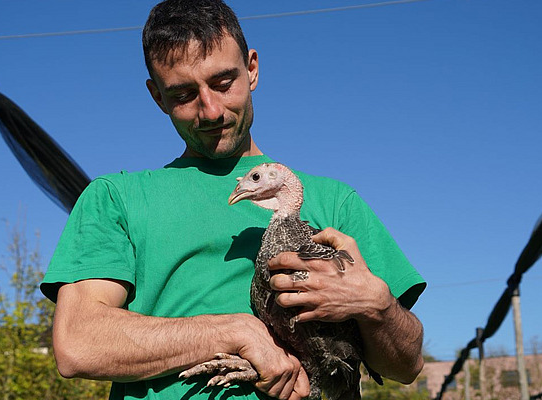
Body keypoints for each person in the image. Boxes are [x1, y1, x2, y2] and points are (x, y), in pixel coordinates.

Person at [40, 1, 426, 399]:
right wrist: (235, 331)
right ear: (157, 96)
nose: (210, 110)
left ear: (252, 68)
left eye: (223, 83)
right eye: (184, 93)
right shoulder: (116, 198)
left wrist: (376, 305)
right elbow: (78, 344)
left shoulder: (336, 202)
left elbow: (407, 364)